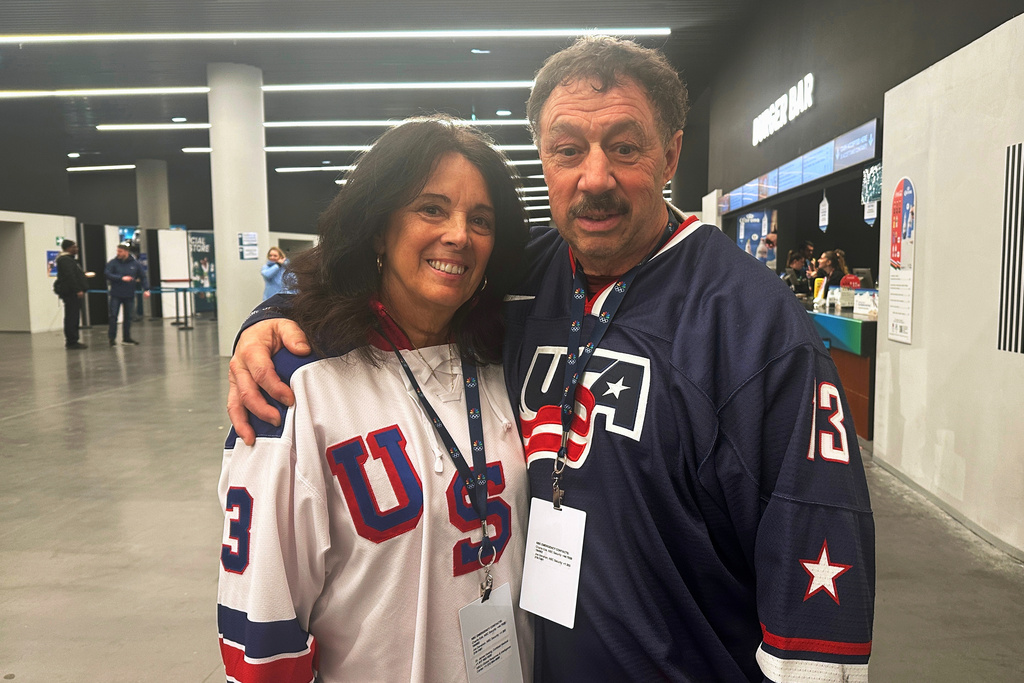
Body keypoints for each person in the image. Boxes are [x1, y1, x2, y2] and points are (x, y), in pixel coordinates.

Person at [228, 37, 875, 682]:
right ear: (543, 157)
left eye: (624, 147)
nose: (595, 178)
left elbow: (817, 582)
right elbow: (390, 283)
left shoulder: (753, 323)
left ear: (672, 154)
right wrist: (271, 321)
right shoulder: (519, 279)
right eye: (568, 150)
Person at [216, 117, 533, 682]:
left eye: (480, 219)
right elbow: (264, 625)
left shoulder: (506, 360)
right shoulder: (297, 386)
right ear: (378, 227)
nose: (459, 235)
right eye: (431, 209)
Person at [104, 241, 149, 345]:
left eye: (120, 251)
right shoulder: (113, 263)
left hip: (129, 294)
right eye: (117, 251)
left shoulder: (135, 264)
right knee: (113, 316)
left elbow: (143, 277)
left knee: (128, 317)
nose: (118, 253)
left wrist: (146, 289)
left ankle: (127, 337)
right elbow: (107, 274)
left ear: (126, 252)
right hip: (116, 294)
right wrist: (121, 278)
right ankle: (112, 338)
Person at [54, 239, 92, 349]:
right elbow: (70, 276)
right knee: (72, 316)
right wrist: (77, 289)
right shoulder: (65, 260)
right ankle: (72, 340)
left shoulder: (70, 260)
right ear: (68, 248)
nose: (77, 249)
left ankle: (73, 339)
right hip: (70, 293)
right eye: (74, 247)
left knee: (74, 316)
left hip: (72, 292)